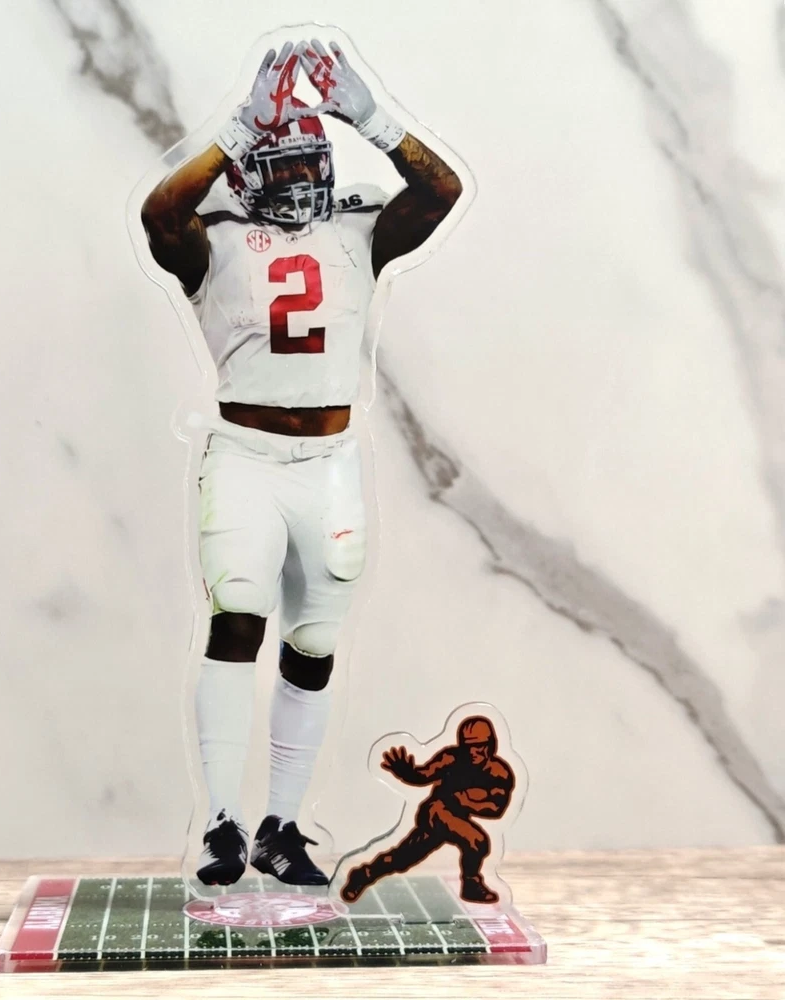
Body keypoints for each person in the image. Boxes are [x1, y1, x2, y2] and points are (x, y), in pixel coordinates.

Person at [140, 39, 463, 887]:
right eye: (277, 166)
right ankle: (222, 823)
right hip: (245, 458)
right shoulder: (212, 238)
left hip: (329, 463)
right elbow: (158, 215)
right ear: (247, 169)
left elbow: (441, 191)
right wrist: (237, 128)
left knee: (313, 644)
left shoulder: (358, 229)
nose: (296, 182)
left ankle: (281, 826)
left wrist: (371, 118)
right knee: (237, 619)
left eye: (305, 164)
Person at [340, 717, 515, 903]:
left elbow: (496, 808)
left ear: (490, 745)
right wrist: (407, 773)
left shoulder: (499, 772)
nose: (473, 752)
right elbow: (424, 774)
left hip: (457, 817)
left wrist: (465, 801)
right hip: (436, 812)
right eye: (468, 746)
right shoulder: (451, 758)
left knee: (403, 858)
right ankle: (471, 884)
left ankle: (365, 874)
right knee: (474, 841)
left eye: (479, 746)